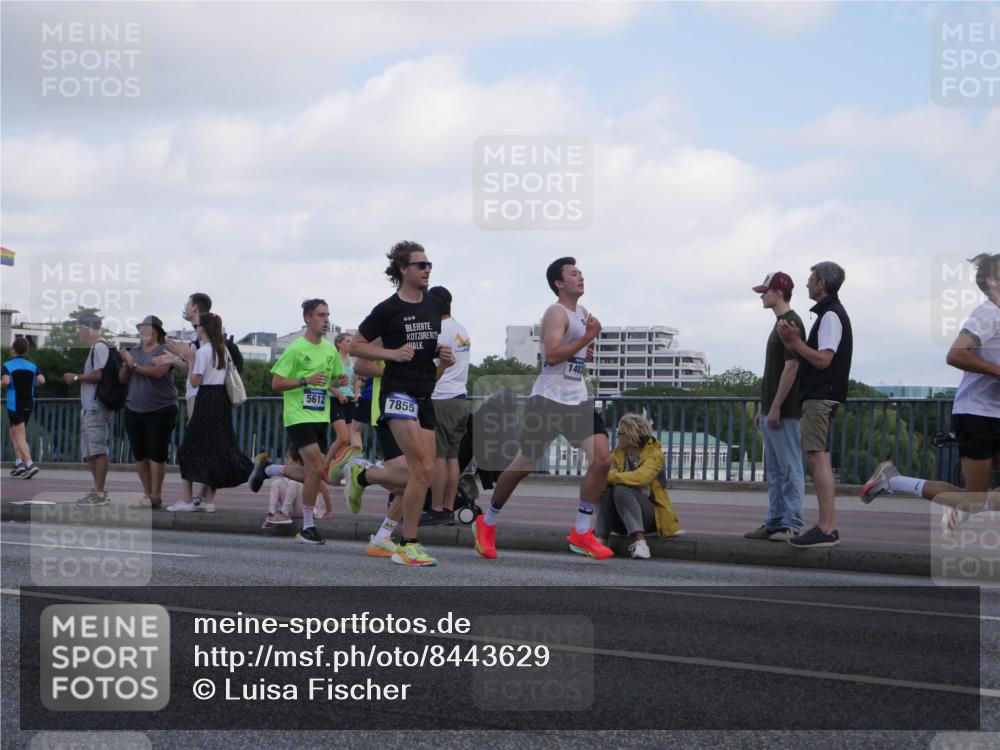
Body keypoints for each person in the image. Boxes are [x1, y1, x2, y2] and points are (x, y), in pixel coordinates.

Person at [472, 257, 613, 561]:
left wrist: (587, 348)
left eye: (581, 273)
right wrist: (588, 337)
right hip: (548, 400)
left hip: (576, 399)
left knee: (602, 460)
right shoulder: (555, 312)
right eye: (573, 274)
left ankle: (581, 531)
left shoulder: (583, 313)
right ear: (559, 284)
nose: (580, 277)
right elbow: (551, 356)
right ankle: (488, 522)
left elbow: (575, 358)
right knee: (522, 466)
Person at [861, 253, 1000, 534]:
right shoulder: (988, 314)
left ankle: (965, 510)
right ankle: (893, 482)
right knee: (974, 501)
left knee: (980, 500)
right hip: (977, 414)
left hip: (993, 412)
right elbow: (956, 354)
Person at [346, 241, 454, 566]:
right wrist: (390, 354)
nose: (427, 269)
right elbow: (356, 347)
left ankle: (364, 478)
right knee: (421, 467)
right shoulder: (388, 309)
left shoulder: (434, 305)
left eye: (429, 264)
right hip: (397, 394)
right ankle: (408, 544)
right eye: (421, 265)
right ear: (403, 270)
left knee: (424, 471)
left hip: (424, 393)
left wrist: (441, 359)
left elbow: (423, 351)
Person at [253, 299, 345, 545]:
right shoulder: (295, 349)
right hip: (298, 416)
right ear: (307, 318)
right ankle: (308, 526)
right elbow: (276, 383)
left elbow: (330, 381)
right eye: (320, 315)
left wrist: (338, 381)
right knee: (316, 467)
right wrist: (305, 380)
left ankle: (270, 469)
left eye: (327, 314)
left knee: (315, 472)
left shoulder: (329, 350)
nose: (325, 319)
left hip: (320, 415)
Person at [777, 261, 853, 549]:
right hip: (822, 393)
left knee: (817, 456)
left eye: (811, 279)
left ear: (821, 284)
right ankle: (826, 525)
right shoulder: (829, 313)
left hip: (821, 394)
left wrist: (794, 342)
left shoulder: (831, 315)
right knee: (816, 455)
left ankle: (826, 527)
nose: (807, 283)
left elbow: (823, 359)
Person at [168, 313, 252, 512]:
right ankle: (209, 501)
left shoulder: (203, 351)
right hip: (221, 400)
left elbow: (195, 381)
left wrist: (188, 359)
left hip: (205, 400)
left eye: (197, 326)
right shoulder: (222, 349)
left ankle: (188, 500)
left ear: (202, 329)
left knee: (188, 450)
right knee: (217, 449)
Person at [745, 272, 806, 541]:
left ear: (779, 293)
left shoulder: (789, 323)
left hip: (784, 410)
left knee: (789, 467)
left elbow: (791, 366)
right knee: (777, 470)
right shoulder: (781, 322)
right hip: (773, 409)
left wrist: (777, 407)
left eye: (765, 291)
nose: (762, 295)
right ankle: (775, 521)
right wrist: (766, 408)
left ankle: (791, 523)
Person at [596, 413, 683, 559]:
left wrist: (610, 477)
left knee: (621, 488)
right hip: (622, 517)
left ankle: (641, 544)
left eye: (620, 433)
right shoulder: (618, 454)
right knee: (604, 488)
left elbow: (641, 478)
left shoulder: (655, 455)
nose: (617, 436)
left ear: (631, 435)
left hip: (651, 517)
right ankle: (600, 540)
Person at [157, 292, 212, 508]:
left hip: (199, 396)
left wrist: (179, 359)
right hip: (200, 396)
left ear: (196, 307)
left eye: (188, 304)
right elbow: (193, 367)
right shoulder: (202, 334)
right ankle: (201, 497)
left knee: (190, 449)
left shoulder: (202, 335)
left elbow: (198, 370)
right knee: (206, 447)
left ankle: (190, 499)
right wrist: (177, 360)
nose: (186, 308)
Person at [422, 285, 471, 526]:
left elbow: (428, 364)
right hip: (460, 398)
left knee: (438, 456)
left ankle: (436, 508)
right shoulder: (461, 329)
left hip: (441, 397)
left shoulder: (438, 331)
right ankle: (450, 508)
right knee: (453, 457)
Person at [119, 316, 179, 509]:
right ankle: (146, 494)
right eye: (142, 329)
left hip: (161, 408)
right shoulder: (133, 352)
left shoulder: (165, 351)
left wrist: (135, 365)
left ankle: (156, 494)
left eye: (148, 329)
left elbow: (158, 373)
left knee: (156, 453)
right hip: (134, 407)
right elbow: (122, 379)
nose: (144, 332)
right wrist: (127, 363)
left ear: (157, 332)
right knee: (140, 454)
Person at [62, 314, 114, 506]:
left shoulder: (99, 347)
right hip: (91, 407)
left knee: (98, 449)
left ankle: (100, 493)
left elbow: (100, 374)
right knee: (91, 451)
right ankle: (97, 491)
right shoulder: (97, 347)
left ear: (86, 328)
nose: (78, 332)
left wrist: (76, 377)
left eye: (79, 328)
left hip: (95, 407)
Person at [2, 338, 44, 479]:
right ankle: (18, 463)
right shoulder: (32, 365)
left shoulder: (7, 365)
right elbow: (41, 380)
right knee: (15, 432)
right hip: (29, 403)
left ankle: (30, 464)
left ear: (13, 349)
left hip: (15, 404)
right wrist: (30, 386)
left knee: (19, 435)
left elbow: (6, 381)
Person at [326, 332, 362, 485]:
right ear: (339, 343)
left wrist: (358, 393)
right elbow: (326, 383)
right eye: (347, 341)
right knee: (343, 437)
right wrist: (338, 393)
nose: (350, 343)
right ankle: (325, 464)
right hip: (336, 400)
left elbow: (355, 381)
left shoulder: (352, 361)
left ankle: (337, 471)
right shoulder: (334, 360)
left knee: (346, 441)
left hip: (350, 401)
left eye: (351, 341)